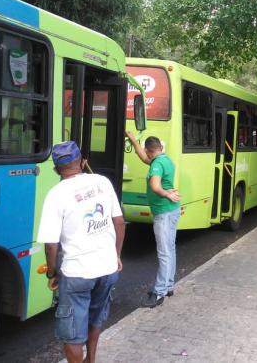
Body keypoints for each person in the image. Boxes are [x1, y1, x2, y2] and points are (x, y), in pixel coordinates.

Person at [37, 141, 125, 363]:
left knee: (72, 334)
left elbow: (51, 244)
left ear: (56, 169)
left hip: (77, 273)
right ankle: (91, 359)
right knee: (95, 319)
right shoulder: (102, 182)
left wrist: (52, 273)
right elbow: (120, 222)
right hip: (107, 268)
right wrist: (116, 256)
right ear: (83, 162)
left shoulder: (56, 194)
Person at [126, 131, 181, 308]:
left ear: (150, 151)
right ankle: (169, 285)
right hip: (170, 211)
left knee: (164, 252)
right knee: (170, 249)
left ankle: (159, 292)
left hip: (164, 213)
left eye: (146, 151)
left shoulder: (157, 165)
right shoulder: (164, 160)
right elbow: (143, 158)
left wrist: (166, 194)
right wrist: (134, 141)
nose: (146, 155)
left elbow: (155, 186)